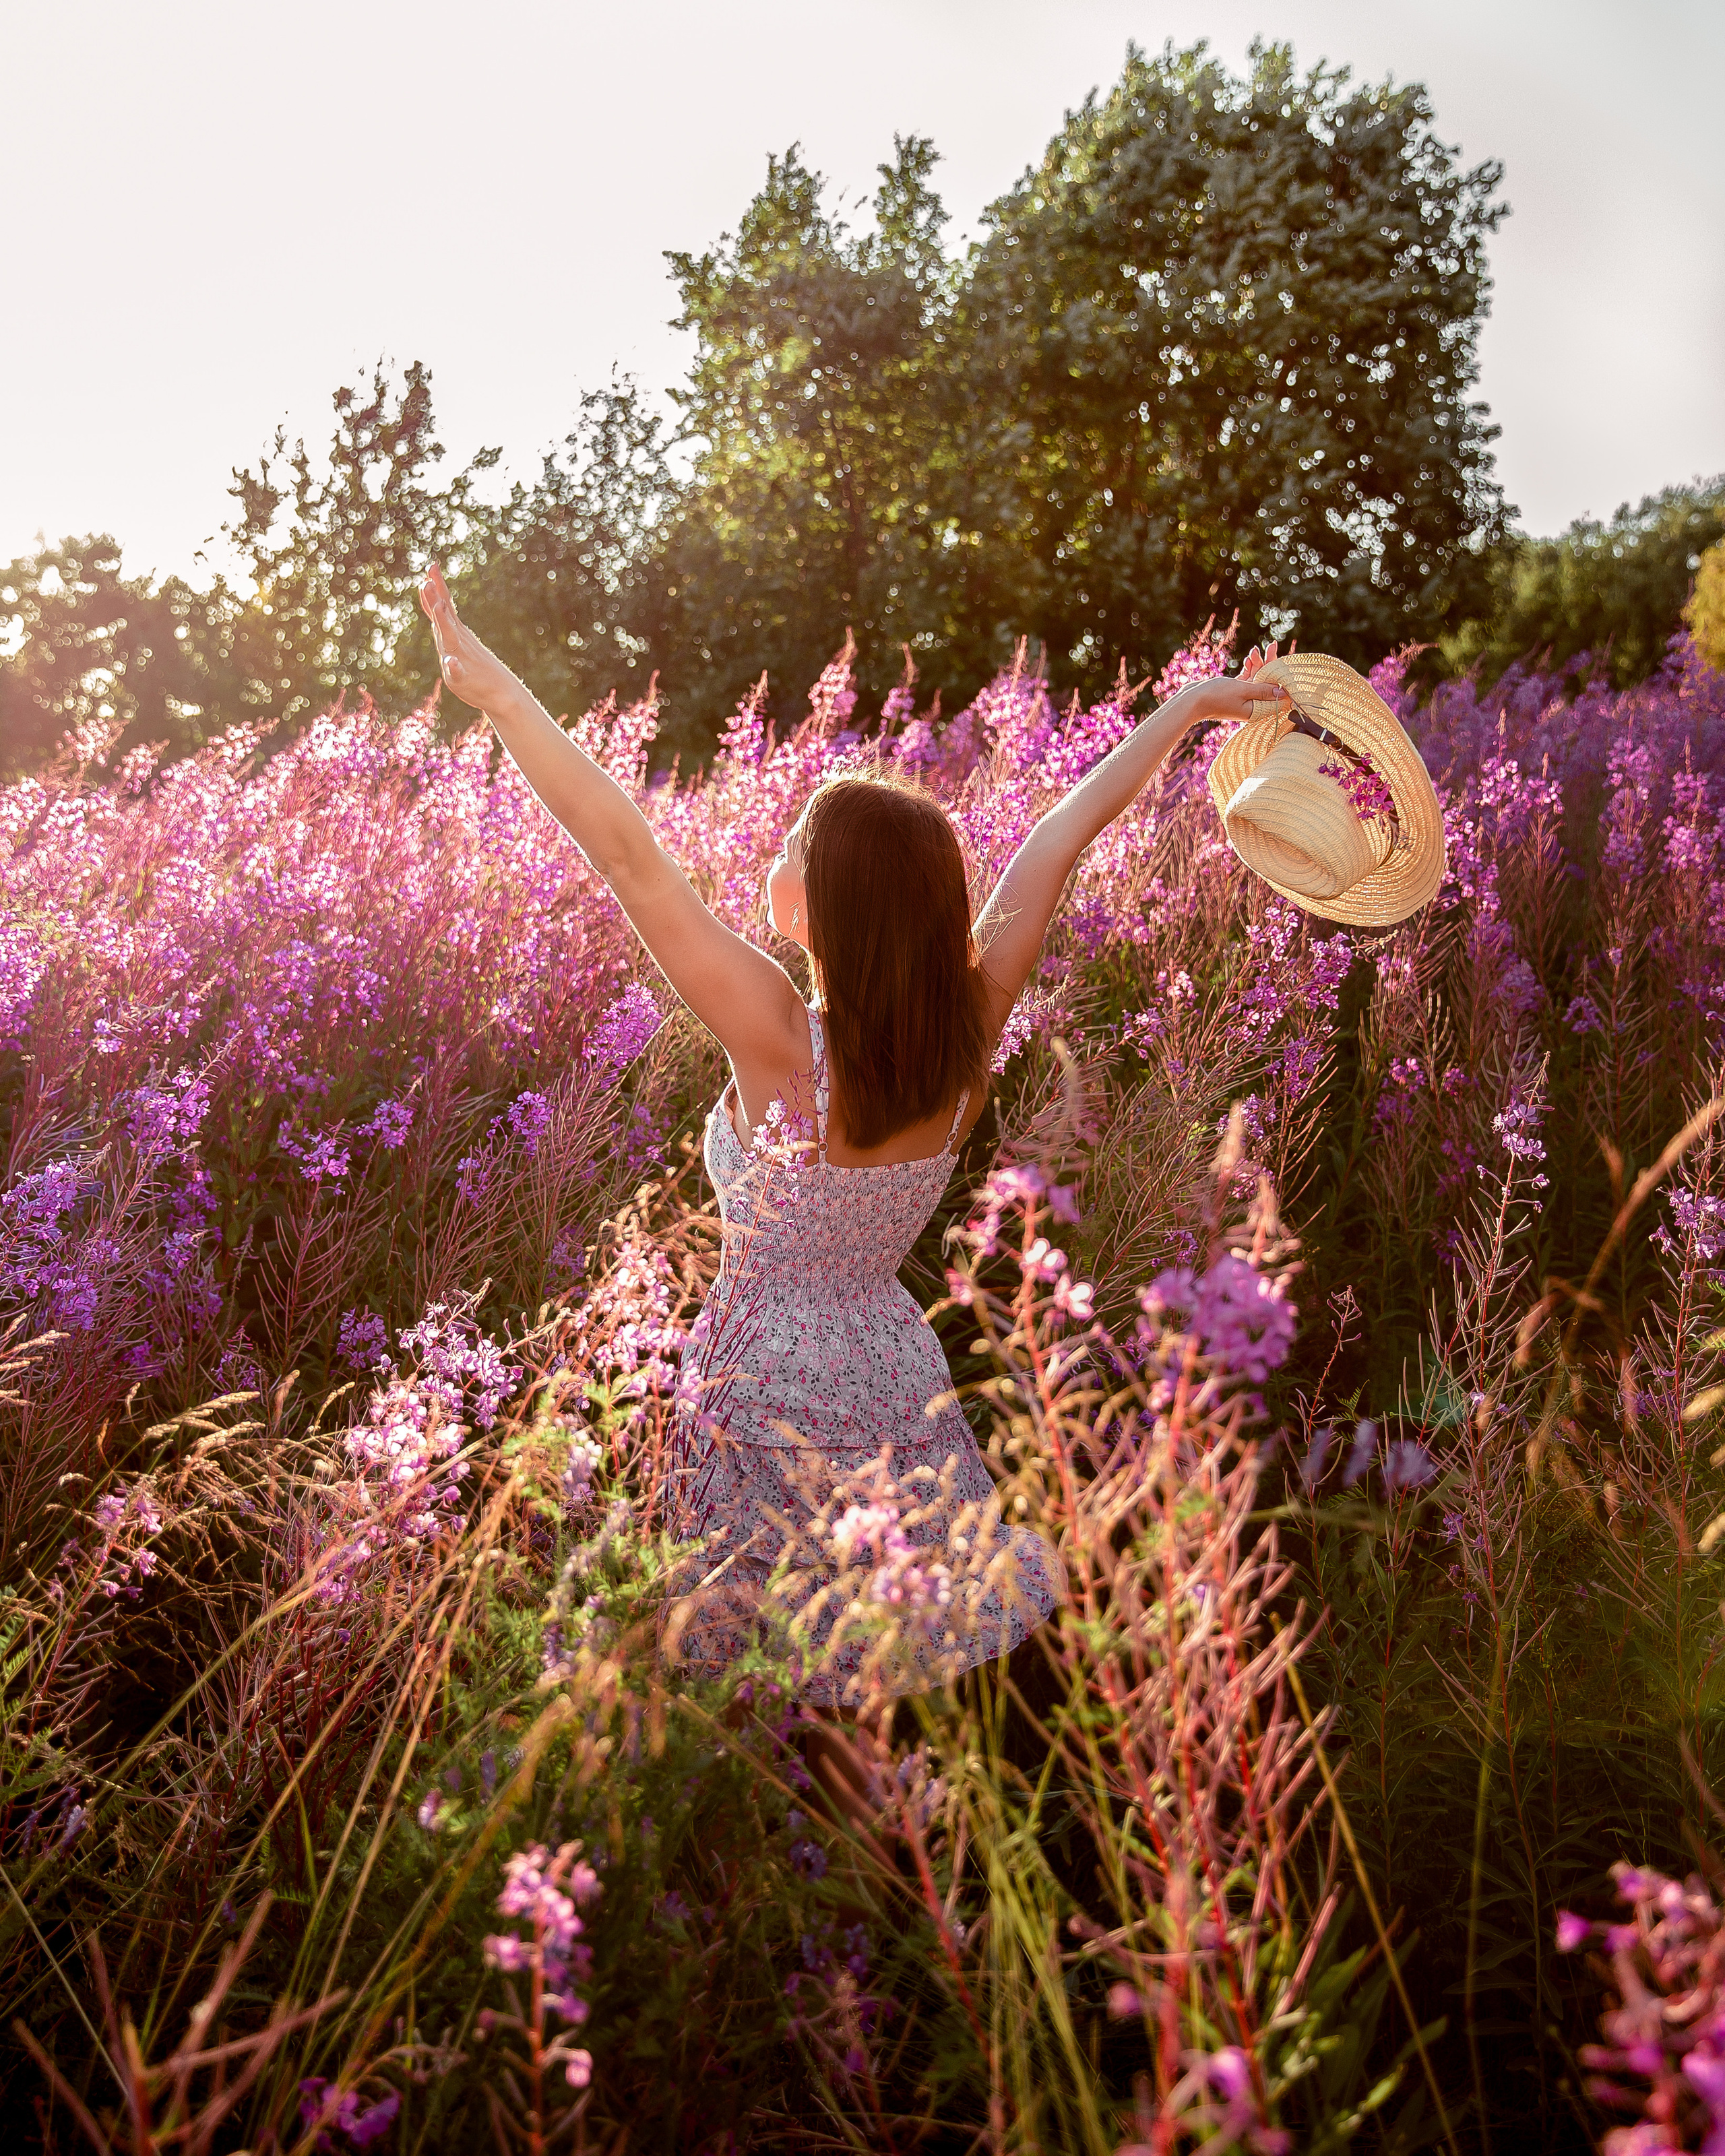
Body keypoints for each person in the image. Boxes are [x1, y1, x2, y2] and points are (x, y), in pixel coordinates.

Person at [417, 568, 1290, 1794]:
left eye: (790, 847)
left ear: (832, 903)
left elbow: (629, 855)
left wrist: (504, 696)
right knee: (884, 1644)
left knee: (760, 1659)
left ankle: (802, 1849)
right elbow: (1061, 837)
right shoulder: (968, 1026)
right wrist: (1188, 709)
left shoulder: (775, 1034)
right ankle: (904, 1827)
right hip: (889, 1367)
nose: (771, 856)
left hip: (762, 1377)